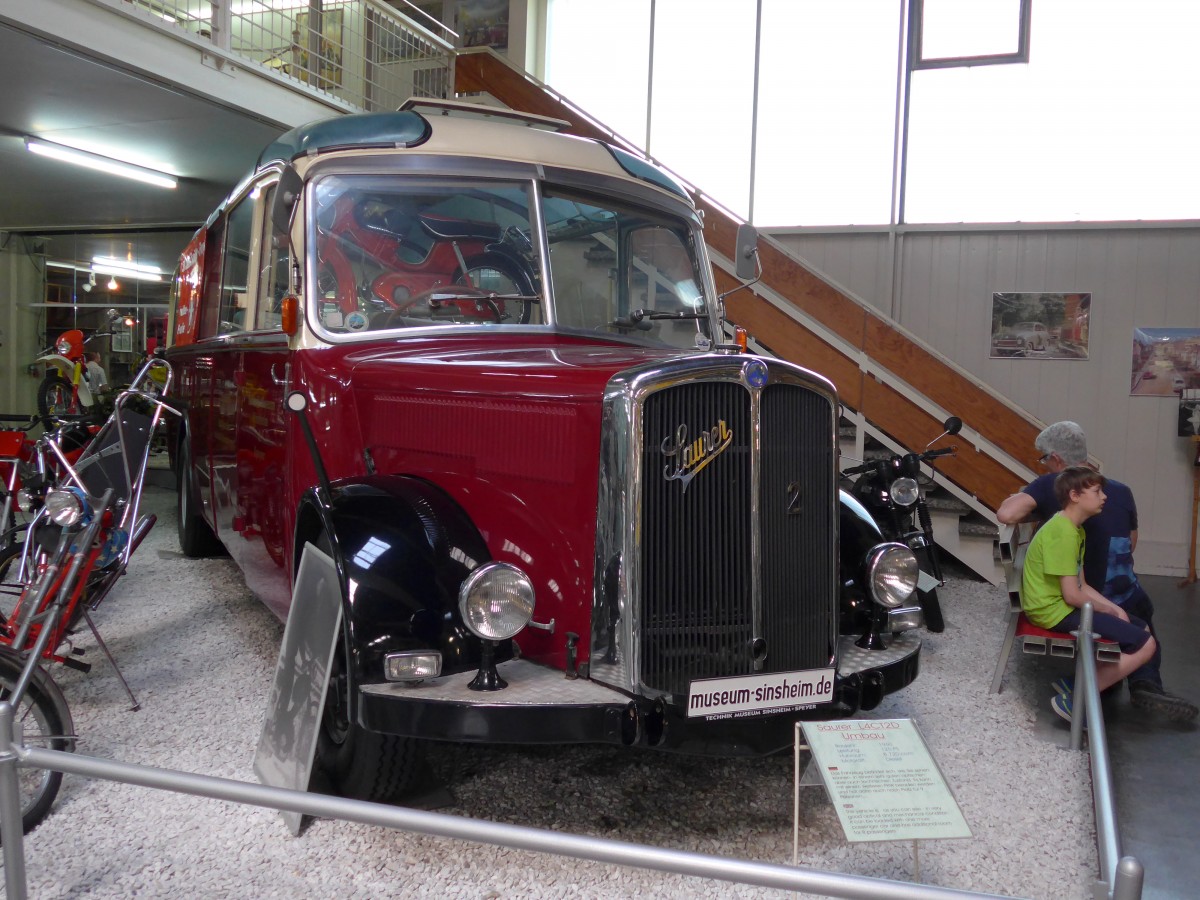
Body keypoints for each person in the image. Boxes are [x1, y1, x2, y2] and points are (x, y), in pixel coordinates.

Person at [998, 421, 1197, 720]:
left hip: (1081, 592)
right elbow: (1131, 544)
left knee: (1135, 624)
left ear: (1056, 459)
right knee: (1141, 611)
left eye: (1044, 459)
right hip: (1108, 590)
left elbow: (1006, 513)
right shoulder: (1118, 491)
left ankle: (1086, 688)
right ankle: (1143, 682)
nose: (1102, 497)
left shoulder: (1056, 486)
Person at [1019, 466, 1157, 722]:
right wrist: (1108, 610)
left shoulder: (1074, 529)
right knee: (1146, 645)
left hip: (1060, 606)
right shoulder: (1063, 533)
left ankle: (1074, 684)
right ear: (1075, 495)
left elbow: (1081, 584)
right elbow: (1072, 596)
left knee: (1142, 628)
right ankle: (1074, 700)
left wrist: (1115, 610)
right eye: (1097, 491)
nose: (1104, 497)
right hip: (1053, 612)